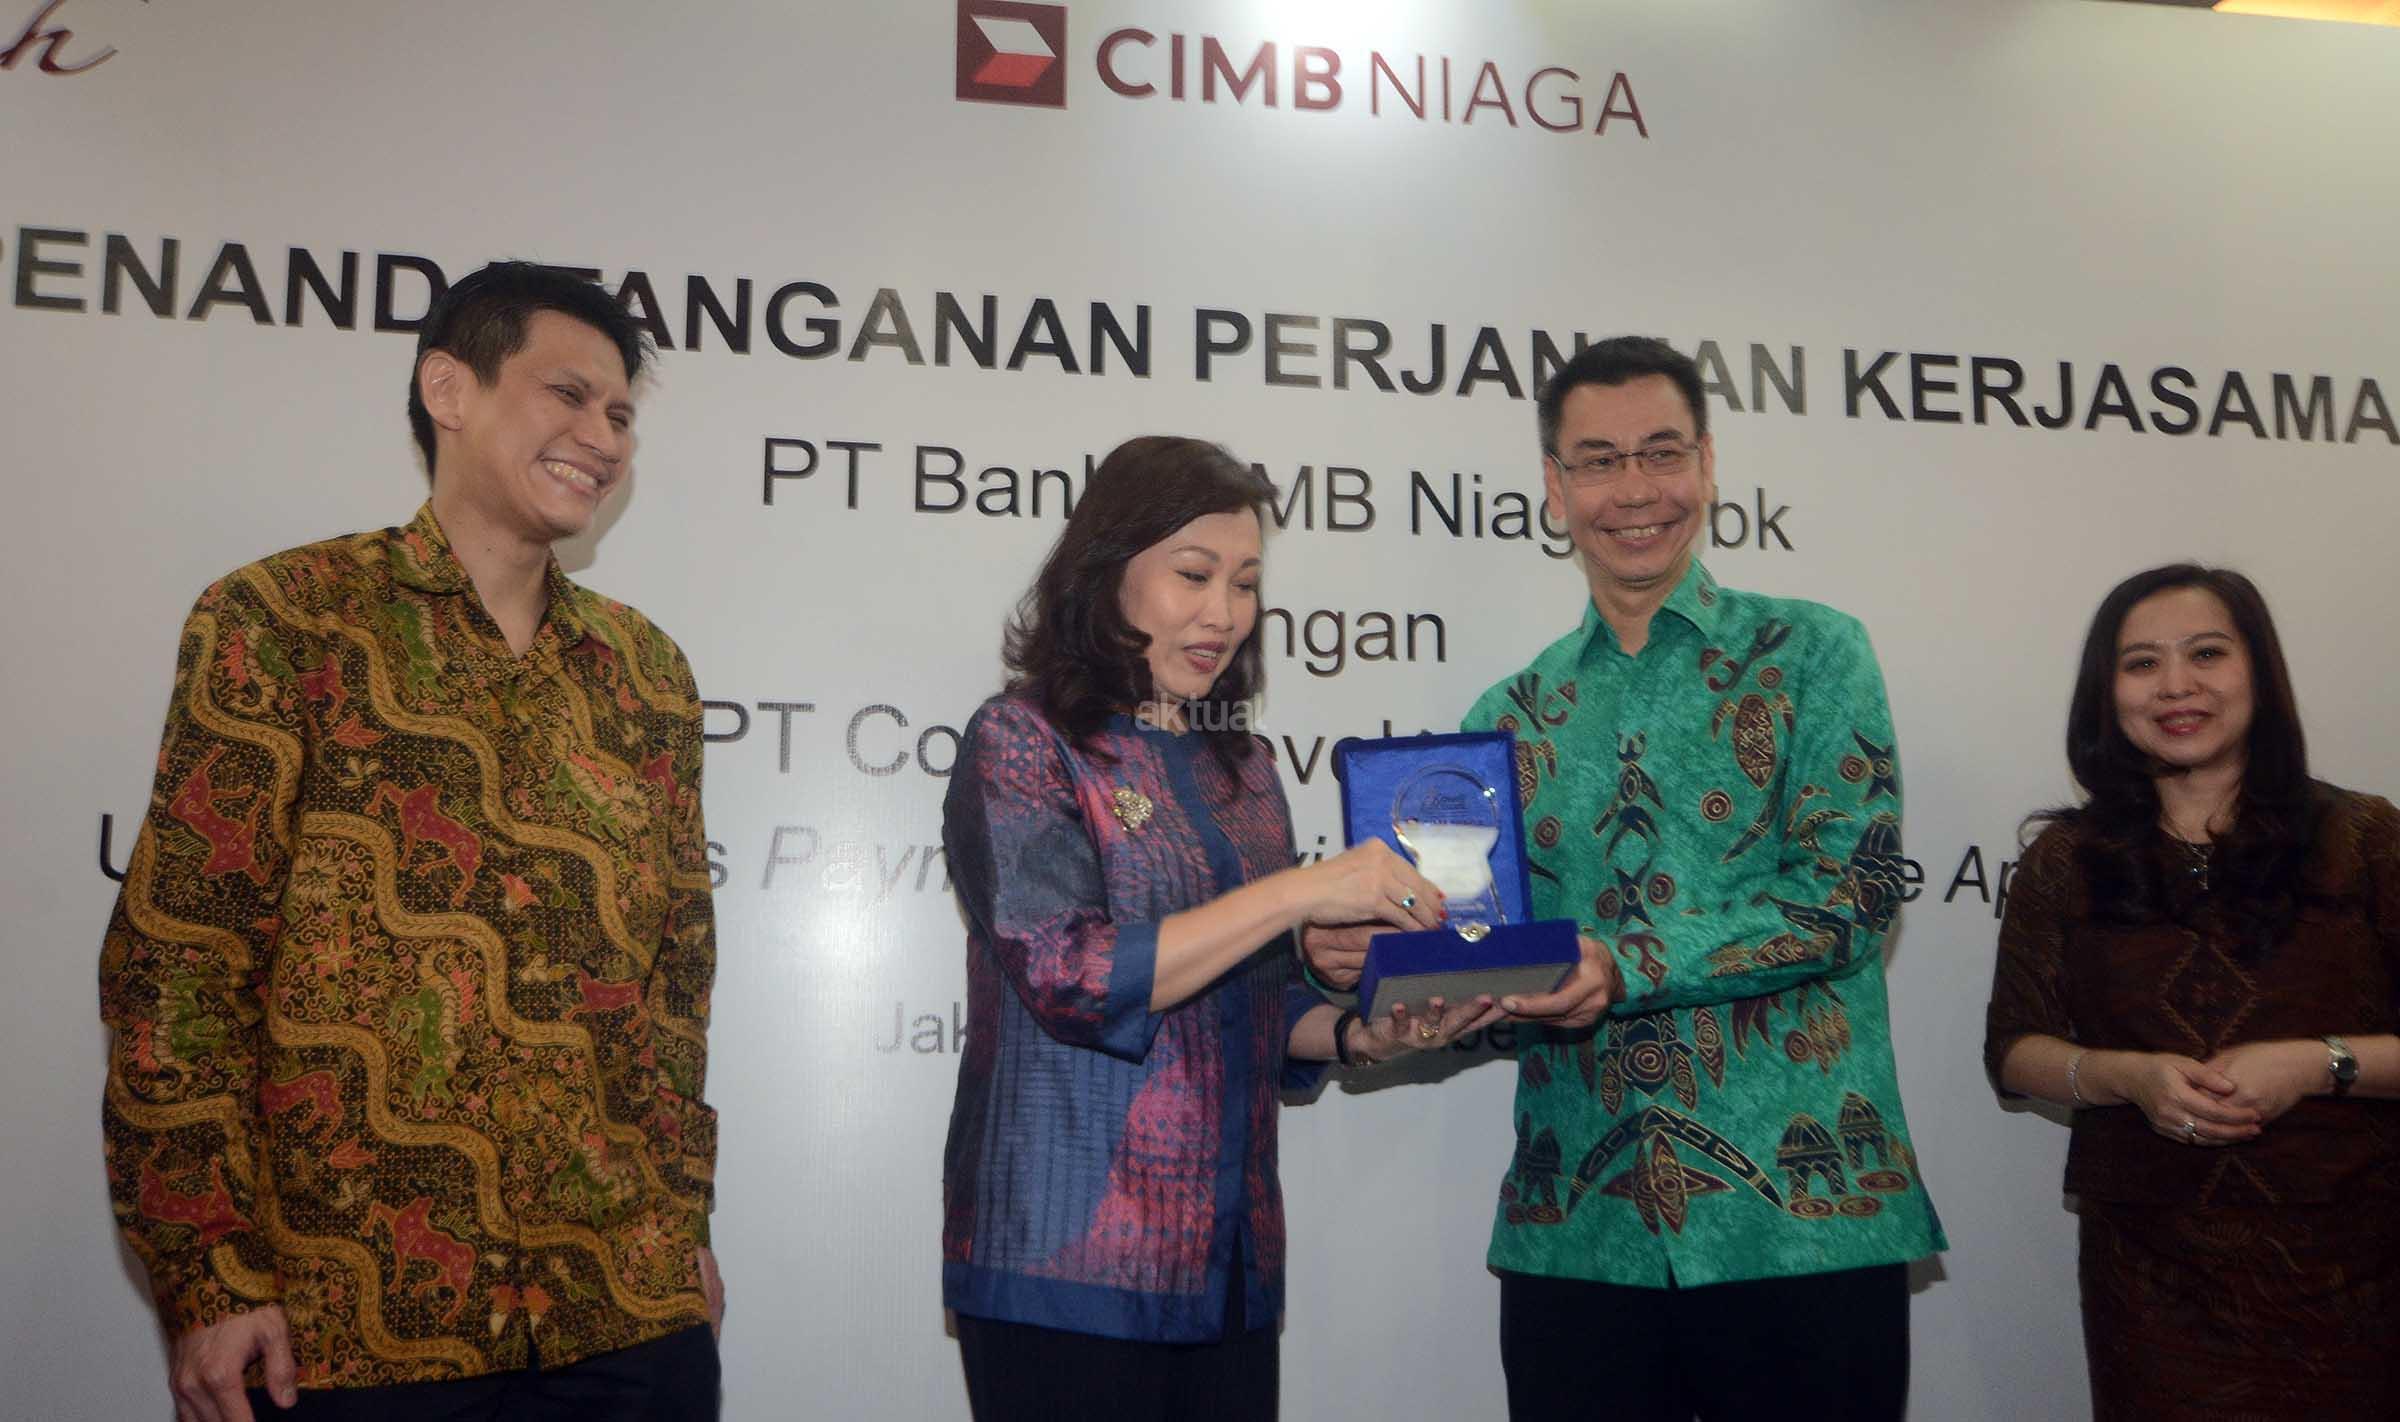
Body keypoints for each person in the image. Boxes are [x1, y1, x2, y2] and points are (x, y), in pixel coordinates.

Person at [98, 262, 724, 1422]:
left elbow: (674, 985)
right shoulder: (283, 620)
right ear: (450, 389)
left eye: (621, 414)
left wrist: (680, 1226)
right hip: (350, 1329)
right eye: (569, 395)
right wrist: (211, 1274)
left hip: (624, 1316)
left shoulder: (647, 673)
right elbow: (180, 964)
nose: (603, 437)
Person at [1308, 336, 1943, 1419]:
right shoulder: (1505, 718)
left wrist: (1624, 963)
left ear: (1707, 463)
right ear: (1555, 488)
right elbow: (1489, 959)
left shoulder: (1814, 655)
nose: (1636, 490)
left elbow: (1851, 894)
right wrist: (1381, 965)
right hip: (1579, 1233)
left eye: (1661, 453)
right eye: (1599, 462)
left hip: (1803, 1223)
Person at [939, 435, 1533, 1421]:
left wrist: (1358, 1032)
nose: (1223, 612)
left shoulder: (1245, 769)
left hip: (1229, 1262)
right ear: (1106, 572)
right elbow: (1071, 975)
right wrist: (1296, 894)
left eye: (1246, 582)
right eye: (1194, 575)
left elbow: (1255, 1000)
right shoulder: (1024, 739)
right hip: (1066, 1262)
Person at [1984, 563, 2400, 1419]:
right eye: (2142, 663)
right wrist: (2130, 1078)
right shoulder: (2066, 859)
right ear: (2108, 694)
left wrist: (2316, 1064)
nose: (2176, 686)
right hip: (2152, 1278)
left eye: (2207, 653)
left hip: (2358, 1263)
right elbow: (2015, 1050)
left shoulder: (2365, 838)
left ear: (2259, 672)